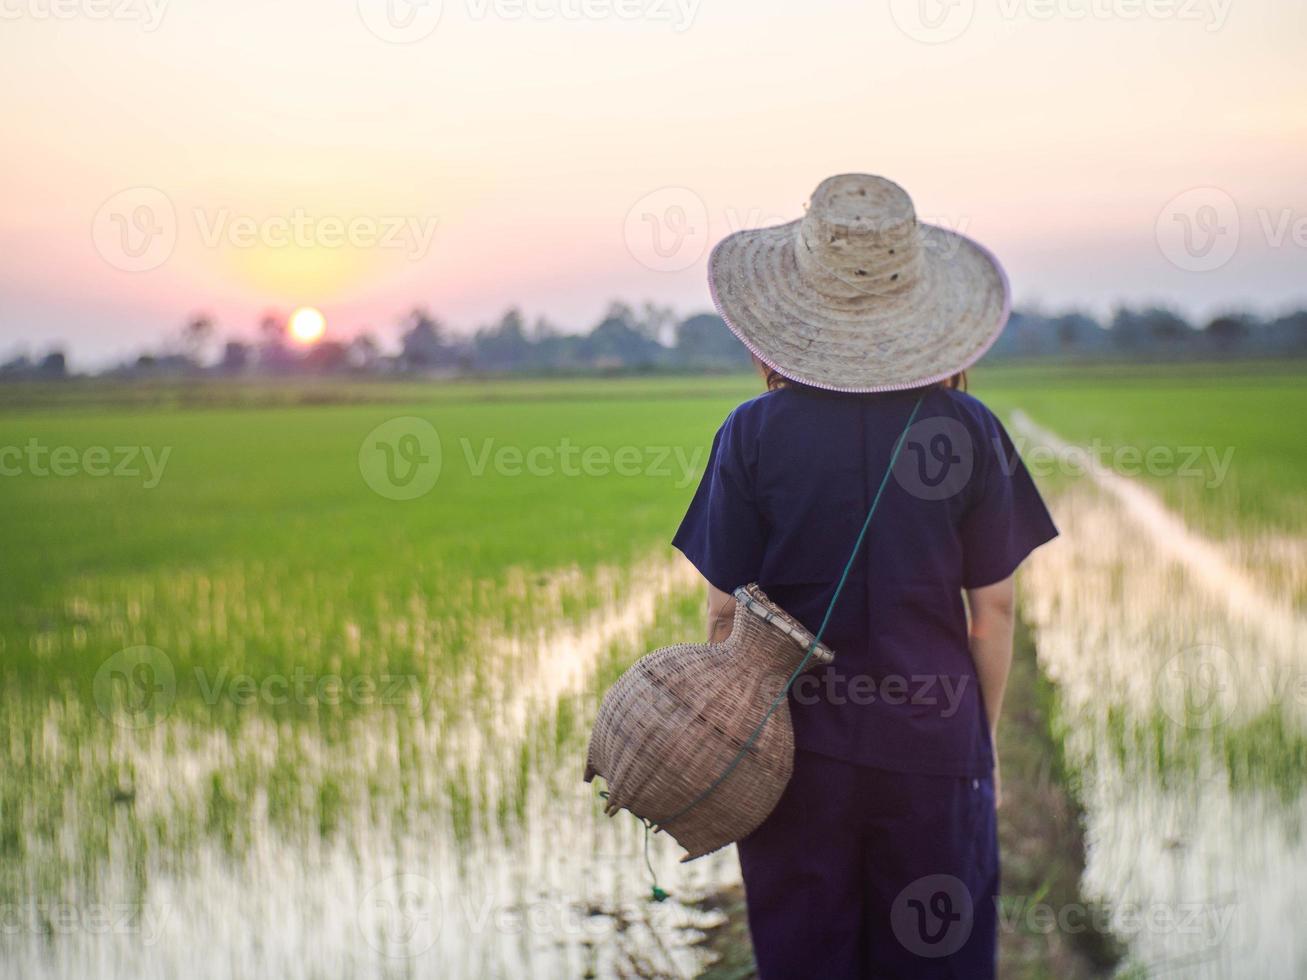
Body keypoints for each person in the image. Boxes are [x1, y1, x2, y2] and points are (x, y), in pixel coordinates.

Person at [672, 174, 1058, 979]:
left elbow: (720, 614)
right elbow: (994, 604)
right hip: (934, 741)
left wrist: (726, 735)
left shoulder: (751, 433)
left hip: (791, 756)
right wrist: (973, 739)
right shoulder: (968, 429)